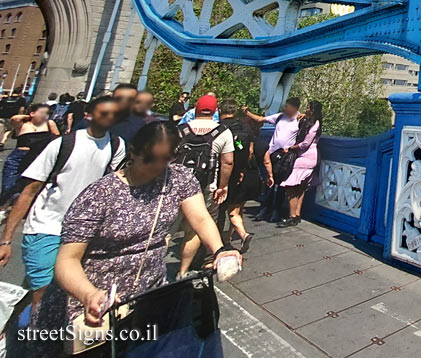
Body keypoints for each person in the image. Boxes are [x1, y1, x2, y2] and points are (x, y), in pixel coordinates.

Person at [30, 121, 241, 357]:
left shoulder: (178, 178)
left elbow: (201, 219)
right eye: (150, 160)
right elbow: (67, 260)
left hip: (146, 296)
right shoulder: (100, 194)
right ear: (133, 152)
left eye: (167, 159)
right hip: (93, 301)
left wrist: (219, 249)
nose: (158, 167)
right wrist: (89, 294)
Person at [0, 97, 125, 317]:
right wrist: (6, 240)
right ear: (89, 115)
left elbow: (111, 189)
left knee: (46, 289)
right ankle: (34, 343)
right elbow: (29, 191)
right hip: (45, 226)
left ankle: (10, 330)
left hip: (81, 232)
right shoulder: (62, 144)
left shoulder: (116, 146)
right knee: (45, 291)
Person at [176, 95, 234, 278]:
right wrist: (222, 187)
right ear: (216, 111)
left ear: (196, 109)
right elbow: (227, 163)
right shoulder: (222, 132)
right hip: (205, 186)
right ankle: (182, 271)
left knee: (164, 228)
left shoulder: (180, 130)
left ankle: (154, 269)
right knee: (193, 230)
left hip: (176, 185)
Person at [244, 97, 301, 222]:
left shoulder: (299, 119)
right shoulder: (280, 117)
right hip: (272, 153)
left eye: (288, 106)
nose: (285, 108)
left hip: (285, 156)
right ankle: (264, 208)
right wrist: (247, 113)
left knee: (280, 184)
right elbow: (260, 119)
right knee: (269, 182)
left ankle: (276, 210)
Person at [218, 100, 260, 253]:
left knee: (219, 209)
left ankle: (218, 243)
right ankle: (235, 236)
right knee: (235, 209)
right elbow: (250, 152)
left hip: (221, 173)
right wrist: (242, 169)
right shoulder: (245, 128)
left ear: (220, 110)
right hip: (240, 174)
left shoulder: (220, 128)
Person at [0, 105, 59, 203]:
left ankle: (15, 208)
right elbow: (15, 118)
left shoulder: (49, 123)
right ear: (32, 113)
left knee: (26, 185)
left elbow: (57, 138)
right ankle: (4, 206)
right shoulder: (24, 124)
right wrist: (30, 117)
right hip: (18, 156)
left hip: (36, 156)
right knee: (9, 185)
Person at [276, 100, 322, 228]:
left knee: (291, 186)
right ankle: (296, 215)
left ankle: (291, 216)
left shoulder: (314, 124)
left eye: (309, 108)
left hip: (305, 157)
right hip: (309, 156)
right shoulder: (312, 121)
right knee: (301, 187)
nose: (306, 110)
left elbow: (305, 143)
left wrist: (291, 147)